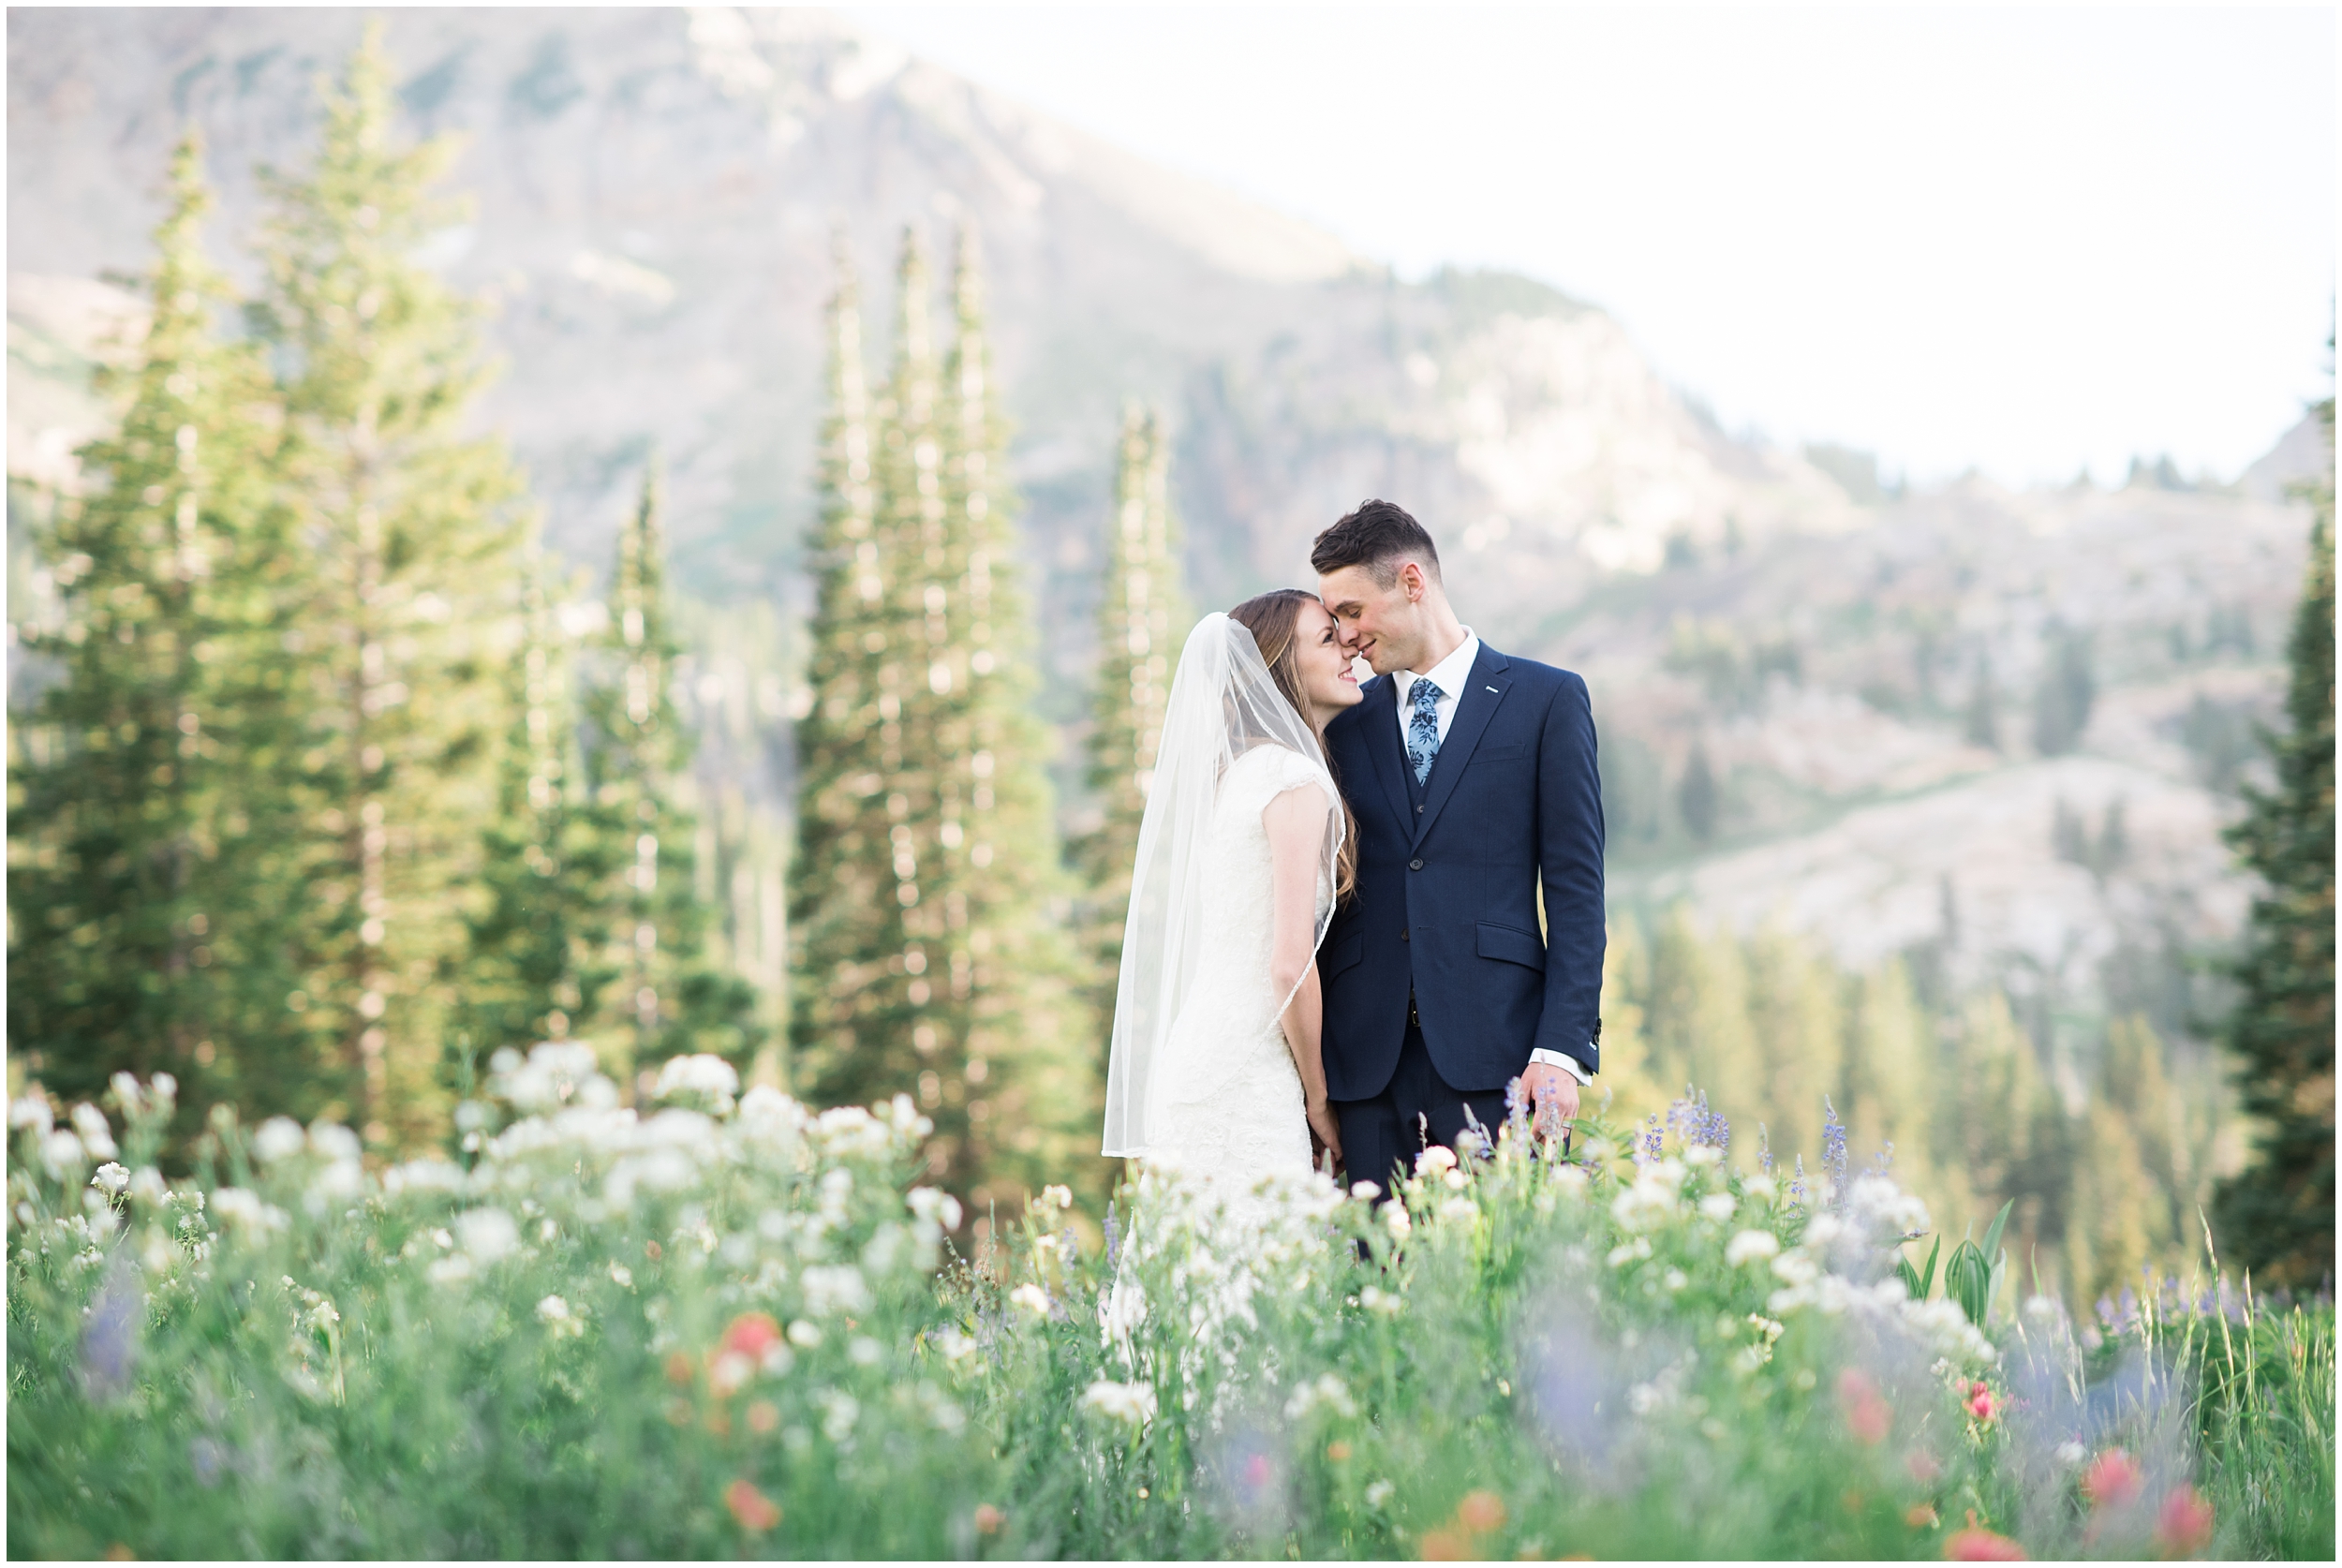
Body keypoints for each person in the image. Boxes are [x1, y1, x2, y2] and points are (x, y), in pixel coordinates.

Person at [1312, 499, 1604, 1194]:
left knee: (1505, 1288)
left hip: (1501, 1057)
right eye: (1334, 622)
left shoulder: (1547, 700)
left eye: (1352, 611)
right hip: (1365, 1071)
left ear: (1412, 582)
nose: (1345, 637)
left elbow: (1576, 889)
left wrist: (1562, 1049)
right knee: (1376, 1288)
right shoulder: (1339, 725)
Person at [1099, 591, 1362, 1204]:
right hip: (1251, 1075)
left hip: (1198, 1056)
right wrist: (1319, 1100)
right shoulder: (1294, 781)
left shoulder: (1235, 775)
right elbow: (1289, 964)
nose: (1349, 644)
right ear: (1281, 669)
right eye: (1327, 637)